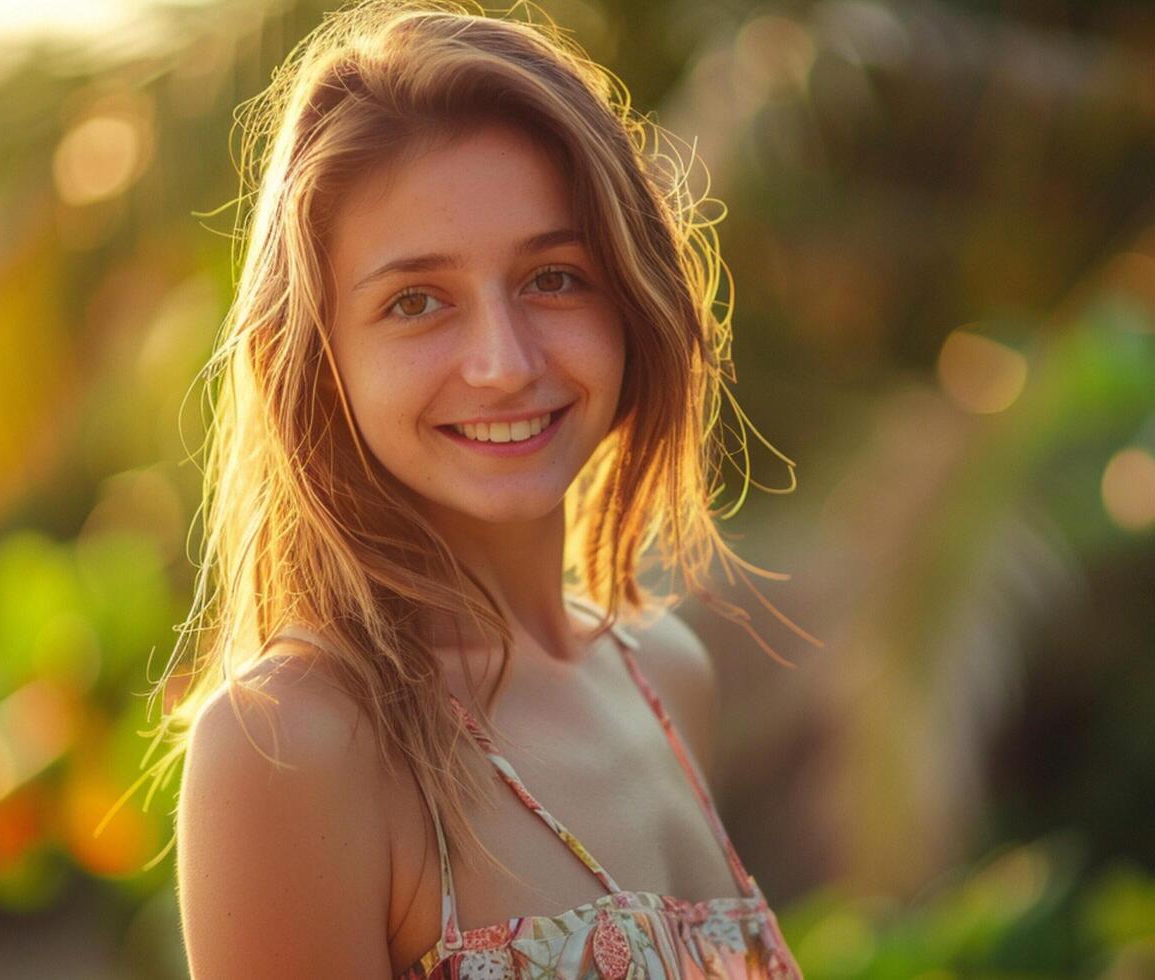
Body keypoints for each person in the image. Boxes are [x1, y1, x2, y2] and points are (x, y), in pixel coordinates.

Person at [158, 1, 814, 975]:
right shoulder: (293, 743)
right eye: (416, 301)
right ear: (318, 355)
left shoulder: (666, 673)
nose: (503, 363)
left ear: (632, 297)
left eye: (553, 277)